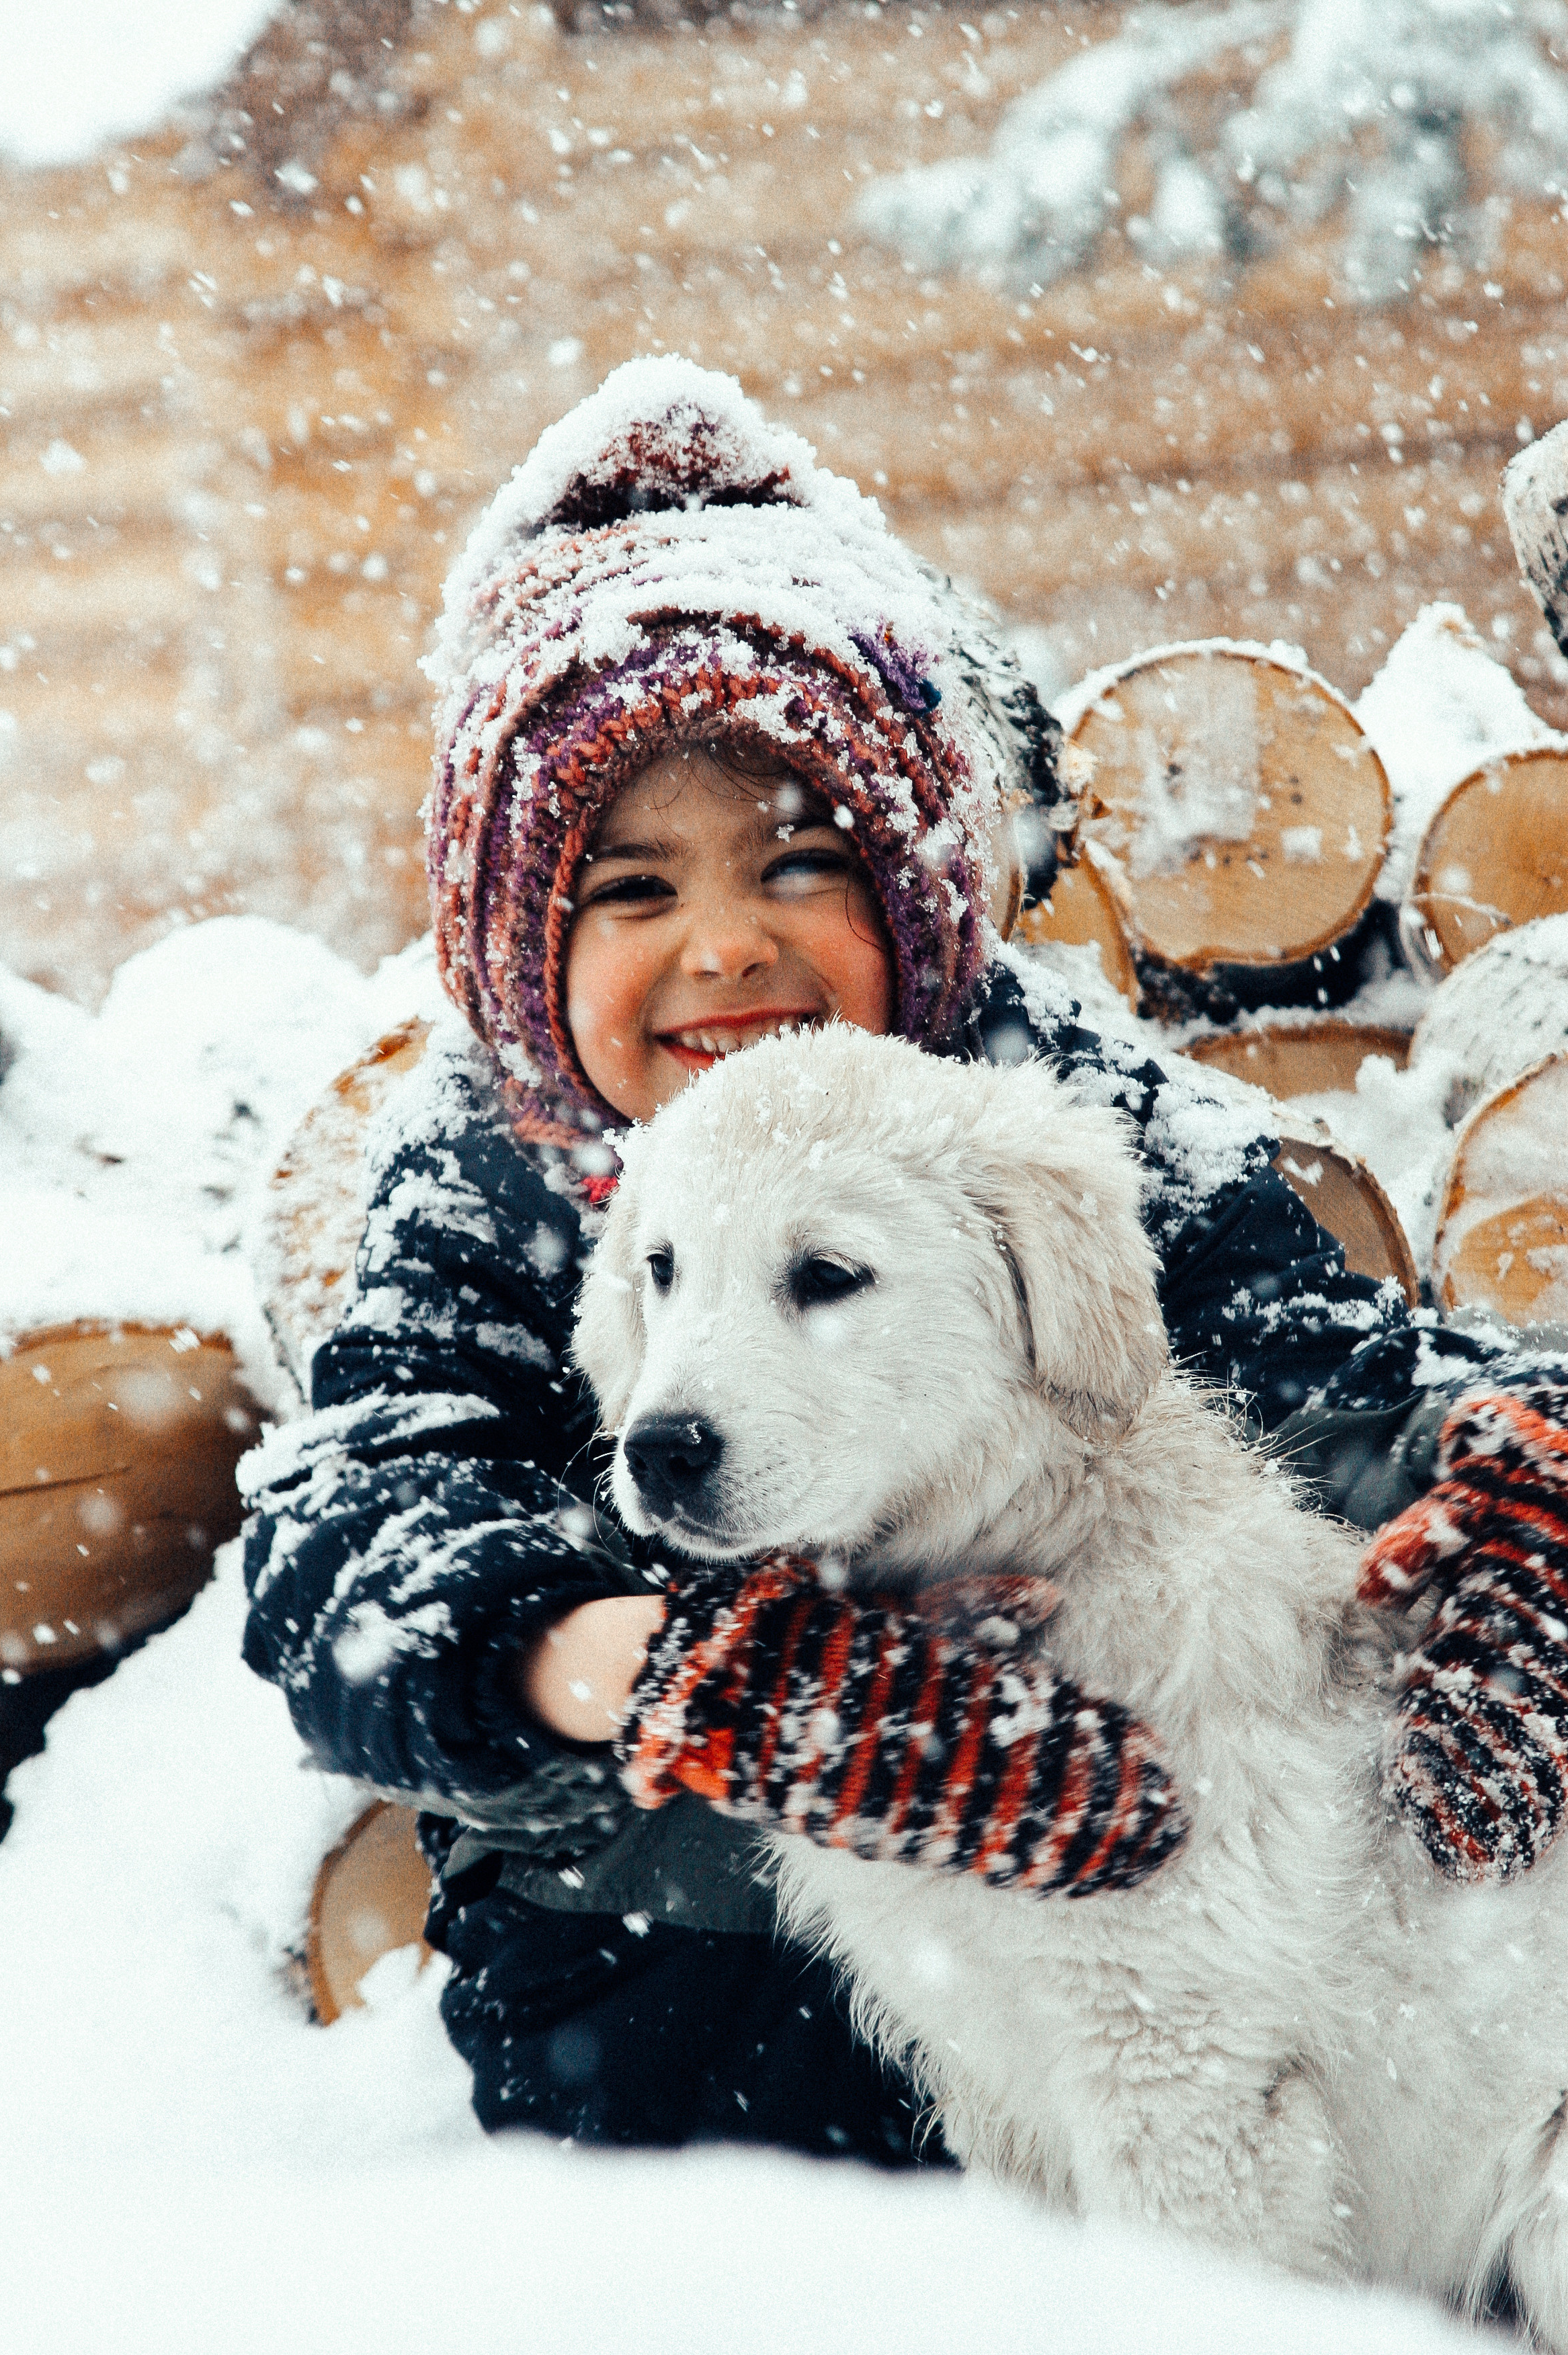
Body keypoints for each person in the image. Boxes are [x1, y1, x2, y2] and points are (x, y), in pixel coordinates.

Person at [242, 358, 1568, 2157]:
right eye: (632, 891)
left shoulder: (1029, 1094)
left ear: (923, 889)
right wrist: (666, 1673)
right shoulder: (493, 1179)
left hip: (1143, 1956)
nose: (725, 946)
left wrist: (1514, 1503)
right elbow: (354, 1552)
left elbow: (1337, 1381)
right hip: (682, 1995)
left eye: (800, 866)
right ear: (517, 952)